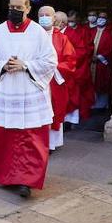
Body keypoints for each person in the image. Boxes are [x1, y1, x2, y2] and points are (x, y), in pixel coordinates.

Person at [0, 0, 57, 198]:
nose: (14, 11)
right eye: (11, 7)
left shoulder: (38, 32)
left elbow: (51, 61)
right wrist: (3, 65)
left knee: (30, 137)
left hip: (29, 91)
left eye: (19, 8)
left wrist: (26, 65)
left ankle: (26, 180)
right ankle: (7, 175)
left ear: (28, 9)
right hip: (8, 91)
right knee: (8, 135)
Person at [41, 9, 77, 151]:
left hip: (55, 80)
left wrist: (54, 67)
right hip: (37, 80)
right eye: (41, 15)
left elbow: (71, 60)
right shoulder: (33, 35)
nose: (44, 18)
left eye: (47, 15)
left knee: (54, 110)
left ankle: (51, 144)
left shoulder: (62, 38)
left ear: (54, 18)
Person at [63, 10, 93, 128]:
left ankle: (71, 121)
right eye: (69, 21)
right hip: (64, 68)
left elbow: (83, 49)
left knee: (75, 95)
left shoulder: (81, 31)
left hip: (76, 67)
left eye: (72, 21)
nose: (70, 23)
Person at [86, 8, 112, 126]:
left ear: (106, 20)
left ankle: (101, 106)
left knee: (102, 84)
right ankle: (91, 105)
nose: (100, 19)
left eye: (103, 18)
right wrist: (89, 56)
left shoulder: (109, 33)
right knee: (90, 84)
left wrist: (99, 57)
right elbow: (86, 44)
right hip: (90, 62)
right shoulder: (91, 31)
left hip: (102, 63)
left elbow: (111, 47)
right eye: (100, 17)